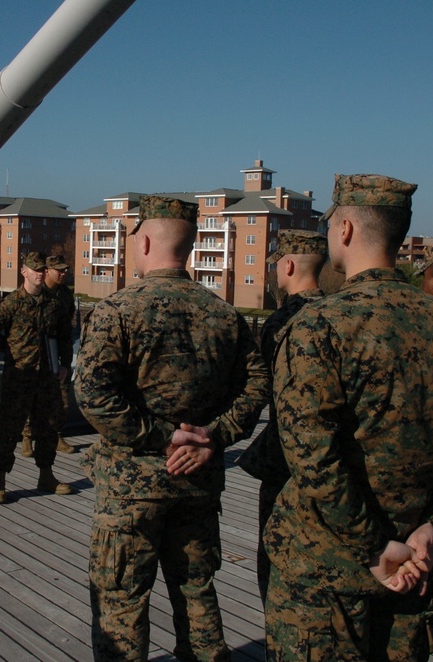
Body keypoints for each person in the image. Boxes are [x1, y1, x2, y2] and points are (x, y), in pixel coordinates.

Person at [263, 174, 433, 661]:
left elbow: (313, 458)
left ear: (346, 229)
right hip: (415, 566)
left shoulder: (320, 327)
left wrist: (374, 547)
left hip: (323, 574)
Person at [75, 195, 269, 661]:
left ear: (142, 241)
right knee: (196, 593)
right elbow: (259, 381)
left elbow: (93, 396)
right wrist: (214, 435)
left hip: (131, 488)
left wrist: (164, 436)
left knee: (121, 600)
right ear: (192, 244)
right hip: (197, 482)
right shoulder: (224, 315)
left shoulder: (117, 311)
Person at [236, 229, 327, 604]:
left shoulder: (284, 320)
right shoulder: (338, 312)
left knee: (274, 551)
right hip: (333, 456)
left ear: (287, 265)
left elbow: (266, 387)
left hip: (286, 457)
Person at [0, 250, 74, 502]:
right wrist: (9, 351)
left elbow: (65, 335)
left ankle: (46, 475)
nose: (41, 274)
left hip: (46, 377)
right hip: (19, 377)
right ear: (24, 272)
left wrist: (65, 363)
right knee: (9, 428)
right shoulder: (11, 302)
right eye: (36, 270)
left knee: (47, 426)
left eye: (43, 270)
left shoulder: (54, 304)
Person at [21, 253, 77, 457]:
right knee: (31, 397)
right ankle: (27, 437)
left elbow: (66, 329)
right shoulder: (35, 292)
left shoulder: (65, 294)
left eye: (65, 270)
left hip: (56, 348)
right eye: (58, 270)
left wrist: (65, 361)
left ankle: (57, 436)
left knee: (62, 398)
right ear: (47, 271)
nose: (63, 273)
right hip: (34, 352)